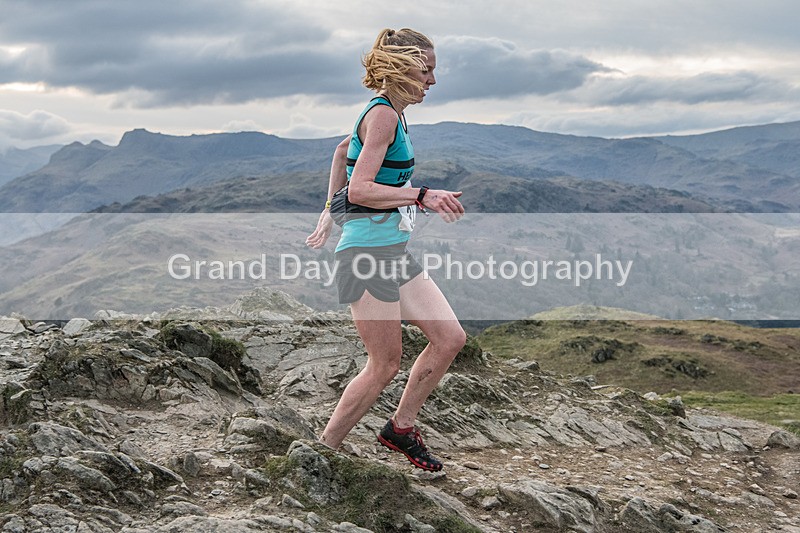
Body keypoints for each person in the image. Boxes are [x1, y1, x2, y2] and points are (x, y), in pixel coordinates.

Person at [305, 28, 466, 471]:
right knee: (383, 365)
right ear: (401, 68)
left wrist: (329, 210)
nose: (432, 80)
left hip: (392, 253)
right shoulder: (383, 115)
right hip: (366, 257)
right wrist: (421, 195)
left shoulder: (393, 112)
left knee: (450, 339)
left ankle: (401, 428)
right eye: (425, 70)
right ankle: (322, 453)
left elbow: (343, 151)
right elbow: (360, 187)